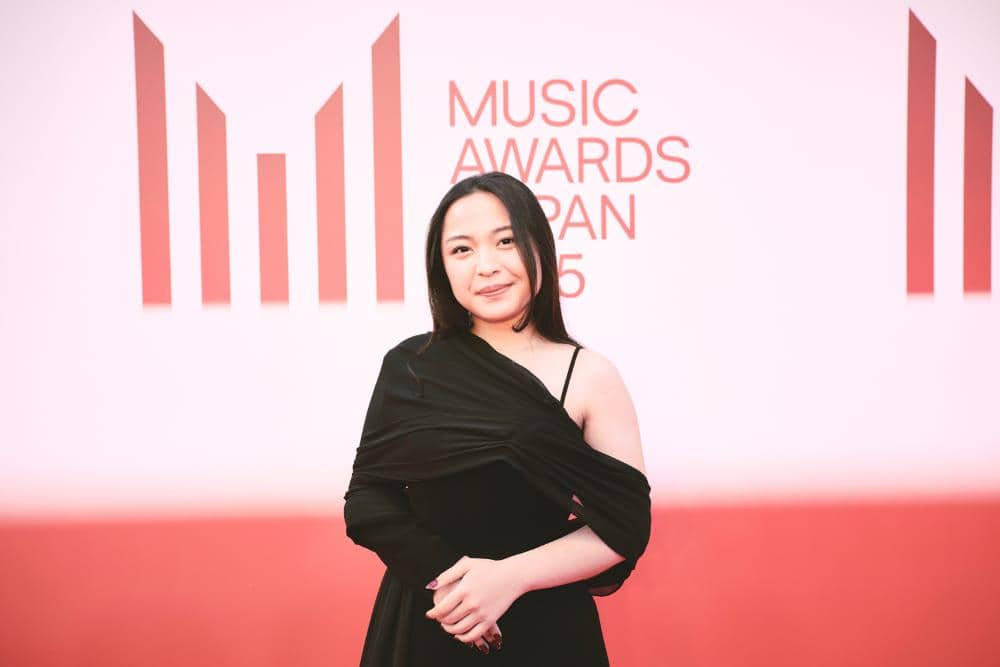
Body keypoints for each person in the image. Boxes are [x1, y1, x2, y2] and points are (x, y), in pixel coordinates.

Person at [343, 171, 651, 665]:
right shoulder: (411, 366)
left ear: (538, 247)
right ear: (442, 268)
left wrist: (509, 578)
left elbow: (626, 526)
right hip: (432, 616)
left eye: (505, 241)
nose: (486, 266)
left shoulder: (590, 375)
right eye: (462, 250)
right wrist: (454, 582)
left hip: (546, 627)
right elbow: (367, 502)